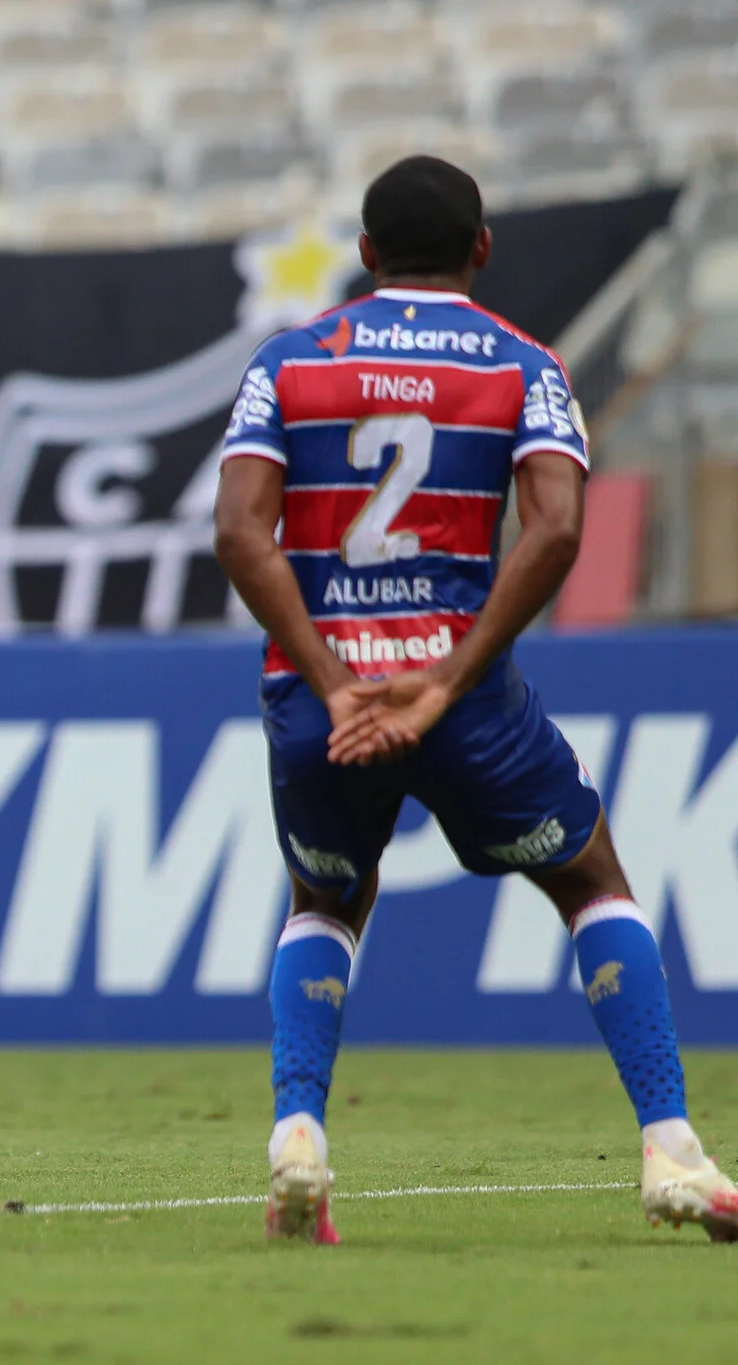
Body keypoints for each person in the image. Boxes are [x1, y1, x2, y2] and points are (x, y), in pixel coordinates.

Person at [213, 154, 737, 1245]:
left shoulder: (290, 362)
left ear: (362, 256)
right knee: (590, 879)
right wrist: (443, 680)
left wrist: (335, 685)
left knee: (322, 906)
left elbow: (235, 532)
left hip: (324, 703)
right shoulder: (520, 366)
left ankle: (298, 1139)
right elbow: (553, 530)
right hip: (462, 702)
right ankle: (670, 1148)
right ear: (481, 250)